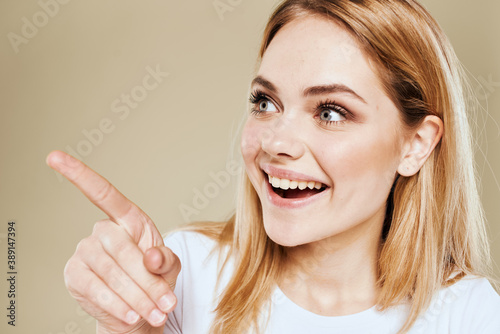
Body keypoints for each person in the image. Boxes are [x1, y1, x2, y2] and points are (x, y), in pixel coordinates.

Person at [47, 0, 500, 333]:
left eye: (330, 112)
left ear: (415, 145)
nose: (277, 142)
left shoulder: (471, 315)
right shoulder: (184, 276)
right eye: (265, 102)